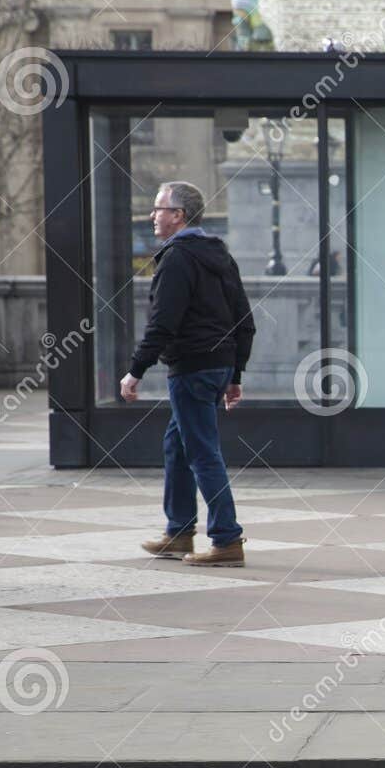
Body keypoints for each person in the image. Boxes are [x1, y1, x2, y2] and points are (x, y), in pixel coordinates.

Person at [124, 181, 254, 568]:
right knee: (177, 446)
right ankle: (179, 532)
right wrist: (235, 374)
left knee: (202, 452)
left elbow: (163, 323)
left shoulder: (177, 258)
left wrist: (135, 370)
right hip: (216, 365)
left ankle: (227, 539)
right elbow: (244, 320)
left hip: (193, 367)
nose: (153, 215)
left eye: (159, 208)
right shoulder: (220, 256)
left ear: (178, 215)